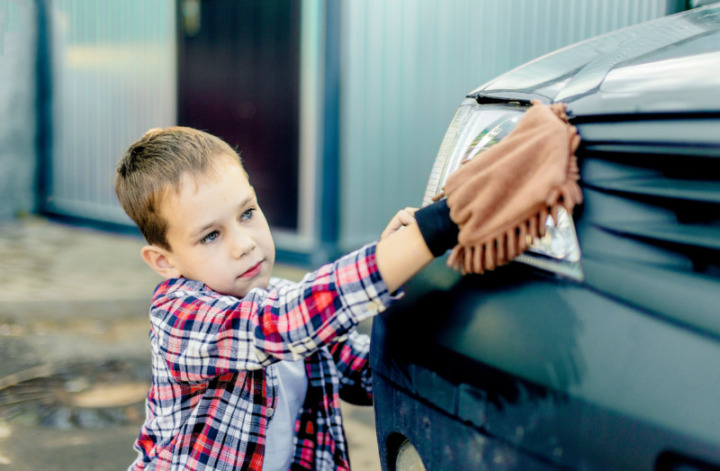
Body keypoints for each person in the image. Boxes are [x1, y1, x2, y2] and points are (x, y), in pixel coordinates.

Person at [115, 126, 460, 471]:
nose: (245, 244)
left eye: (247, 213)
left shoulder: (280, 294)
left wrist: (405, 273)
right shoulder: (178, 315)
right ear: (165, 261)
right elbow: (282, 323)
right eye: (210, 236)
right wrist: (422, 237)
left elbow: (367, 373)